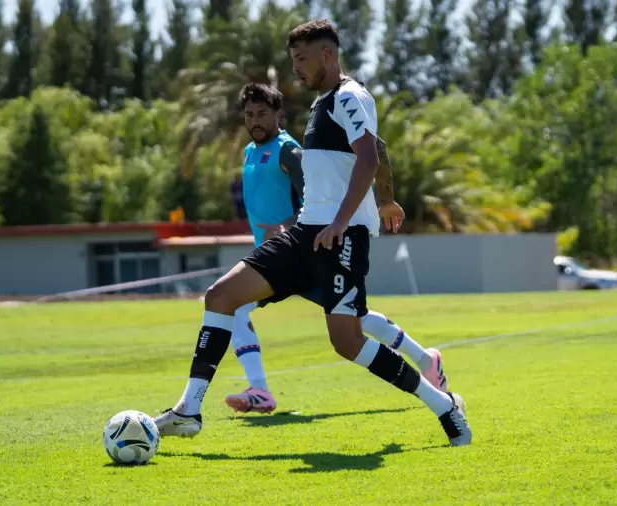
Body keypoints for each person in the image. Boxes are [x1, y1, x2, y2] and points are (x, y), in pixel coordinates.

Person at [154, 19, 471, 446]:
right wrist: (387, 198)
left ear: (327, 53)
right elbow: (377, 148)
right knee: (221, 296)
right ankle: (188, 410)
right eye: (293, 60)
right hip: (305, 234)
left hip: (341, 237)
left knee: (348, 342)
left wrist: (342, 220)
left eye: (302, 59)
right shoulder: (324, 103)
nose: (296, 68)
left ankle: (442, 405)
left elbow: (367, 157)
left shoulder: (349, 96)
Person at [223, 82, 451, 415]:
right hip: (279, 255)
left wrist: (285, 229)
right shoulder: (249, 153)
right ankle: (425, 358)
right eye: (249, 115)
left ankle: (260, 388)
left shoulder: (289, 152)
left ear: (278, 114)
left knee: (351, 320)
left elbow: (312, 199)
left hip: (305, 251)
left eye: (262, 113)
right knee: (350, 317)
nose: (255, 120)